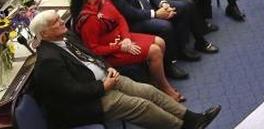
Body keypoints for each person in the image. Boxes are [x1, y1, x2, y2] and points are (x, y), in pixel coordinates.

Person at [28, 10, 220, 129]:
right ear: (44, 34)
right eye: (56, 22)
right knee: (142, 106)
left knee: (150, 91)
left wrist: (108, 67)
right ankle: (183, 127)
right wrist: (103, 86)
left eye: (59, 19)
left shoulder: (65, 37)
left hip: (106, 79)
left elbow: (92, 56)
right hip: (90, 100)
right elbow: (72, 92)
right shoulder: (48, 61)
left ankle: (193, 118)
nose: (62, 22)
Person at [70, 0, 182, 101]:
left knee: (160, 42)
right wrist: (120, 47)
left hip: (122, 38)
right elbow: (94, 49)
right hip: (110, 52)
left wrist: (127, 38)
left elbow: (120, 18)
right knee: (154, 50)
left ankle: (154, 81)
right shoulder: (87, 18)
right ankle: (164, 88)